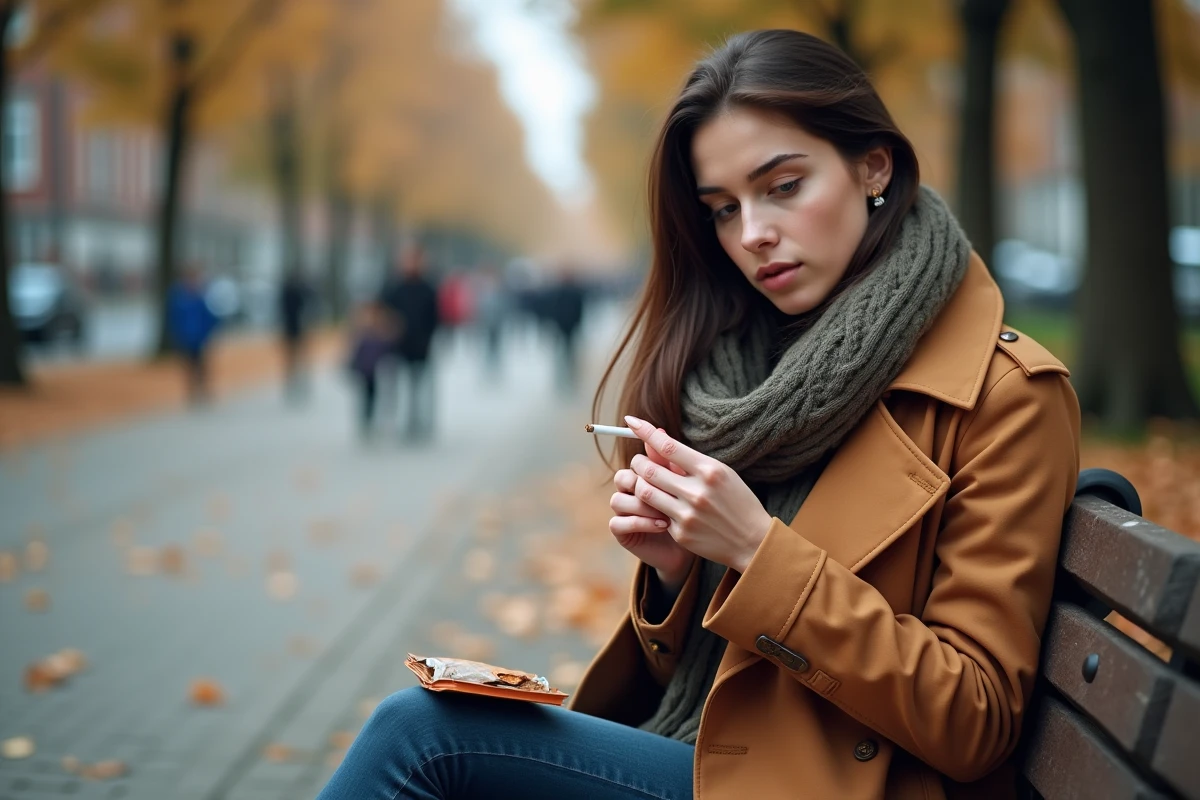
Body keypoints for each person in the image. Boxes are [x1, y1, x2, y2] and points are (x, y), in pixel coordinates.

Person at [318, 29, 1080, 800]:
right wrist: (675, 576)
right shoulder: (743, 374)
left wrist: (757, 550)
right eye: (722, 209)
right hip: (720, 759)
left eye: (783, 186)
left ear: (873, 166)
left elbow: (977, 717)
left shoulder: (1005, 396)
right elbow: (692, 683)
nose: (752, 234)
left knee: (423, 738)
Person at [378, 243, 441, 442]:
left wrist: (429, 337)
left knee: (419, 385)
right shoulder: (393, 287)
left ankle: (417, 420)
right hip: (397, 346)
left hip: (421, 345)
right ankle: (394, 420)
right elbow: (382, 312)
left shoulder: (428, 287)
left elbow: (435, 316)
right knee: (395, 385)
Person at [167, 265, 220, 406]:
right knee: (189, 367)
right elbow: (174, 318)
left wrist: (208, 333)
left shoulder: (199, 297)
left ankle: (203, 391)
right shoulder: (179, 297)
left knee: (202, 366)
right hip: (186, 339)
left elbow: (209, 318)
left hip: (200, 339)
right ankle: (192, 393)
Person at [346, 300, 395, 440]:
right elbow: (354, 352)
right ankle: (366, 421)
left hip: (376, 371)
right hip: (364, 371)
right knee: (366, 397)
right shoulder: (361, 333)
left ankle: (373, 421)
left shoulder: (381, 332)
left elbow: (388, 350)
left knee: (375, 397)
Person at [279, 271, 313, 404]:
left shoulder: (287, 291)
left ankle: (293, 380)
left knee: (292, 357)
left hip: (290, 327)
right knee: (298, 356)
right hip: (298, 327)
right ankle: (298, 380)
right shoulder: (301, 290)